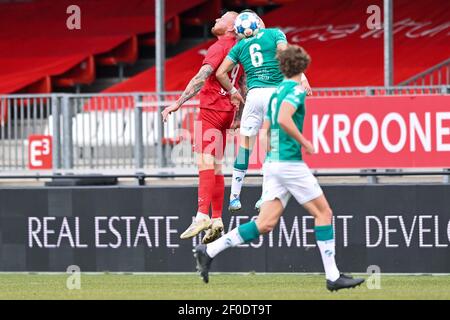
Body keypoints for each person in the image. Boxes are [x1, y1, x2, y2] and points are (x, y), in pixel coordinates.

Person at [194, 45, 365, 291]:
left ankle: (209, 250)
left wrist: (272, 158)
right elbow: (284, 120)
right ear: (303, 67)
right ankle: (333, 276)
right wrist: (304, 143)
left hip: (274, 163)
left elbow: (265, 132)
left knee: (265, 223)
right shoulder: (294, 91)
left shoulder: (276, 93)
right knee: (324, 214)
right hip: (289, 164)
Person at [215, 10, 312, 214]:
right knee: (271, 147)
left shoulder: (240, 46)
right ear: (258, 22)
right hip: (274, 95)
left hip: (254, 96)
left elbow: (220, 73)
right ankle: (264, 195)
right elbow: (287, 55)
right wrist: (302, 78)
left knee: (245, 147)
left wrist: (233, 91)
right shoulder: (274, 33)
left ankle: (234, 197)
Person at [162, 11, 243, 244]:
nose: (216, 19)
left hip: (211, 109)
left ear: (230, 27)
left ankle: (201, 216)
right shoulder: (239, 49)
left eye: (222, 18)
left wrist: (177, 103)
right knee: (216, 166)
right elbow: (241, 82)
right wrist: (237, 113)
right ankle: (217, 218)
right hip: (227, 111)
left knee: (204, 163)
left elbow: (201, 76)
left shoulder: (219, 47)